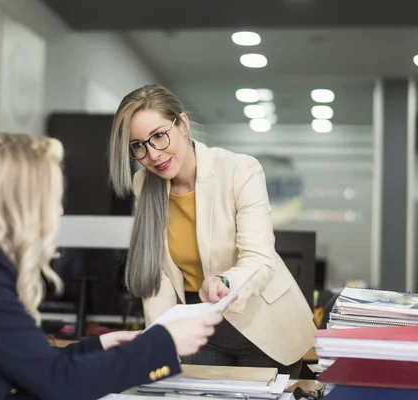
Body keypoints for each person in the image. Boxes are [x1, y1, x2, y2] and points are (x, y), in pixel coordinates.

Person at [0, 133, 223, 400]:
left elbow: (32, 365)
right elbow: (59, 382)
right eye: (53, 198)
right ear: (22, 203)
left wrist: (96, 347)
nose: (59, 211)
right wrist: (165, 344)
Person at [108, 84, 316, 378]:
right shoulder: (145, 184)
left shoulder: (239, 170)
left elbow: (260, 259)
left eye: (158, 136)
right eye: (139, 145)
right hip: (201, 328)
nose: (153, 154)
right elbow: (159, 273)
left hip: (263, 324)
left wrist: (226, 282)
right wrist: (158, 339)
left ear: (182, 124)